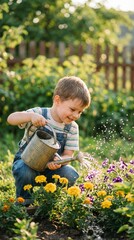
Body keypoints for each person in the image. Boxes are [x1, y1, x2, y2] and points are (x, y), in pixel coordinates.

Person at [7, 76, 91, 206]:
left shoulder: (72, 128)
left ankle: (50, 198)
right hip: (28, 162)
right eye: (73, 109)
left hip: (50, 169)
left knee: (71, 174)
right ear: (57, 100)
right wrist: (30, 116)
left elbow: (68, 154)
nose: (76, 115)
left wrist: (60, 162)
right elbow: (11, 118)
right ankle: (25, 201)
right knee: (24, 171)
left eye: (80, 112)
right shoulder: (39, 113)